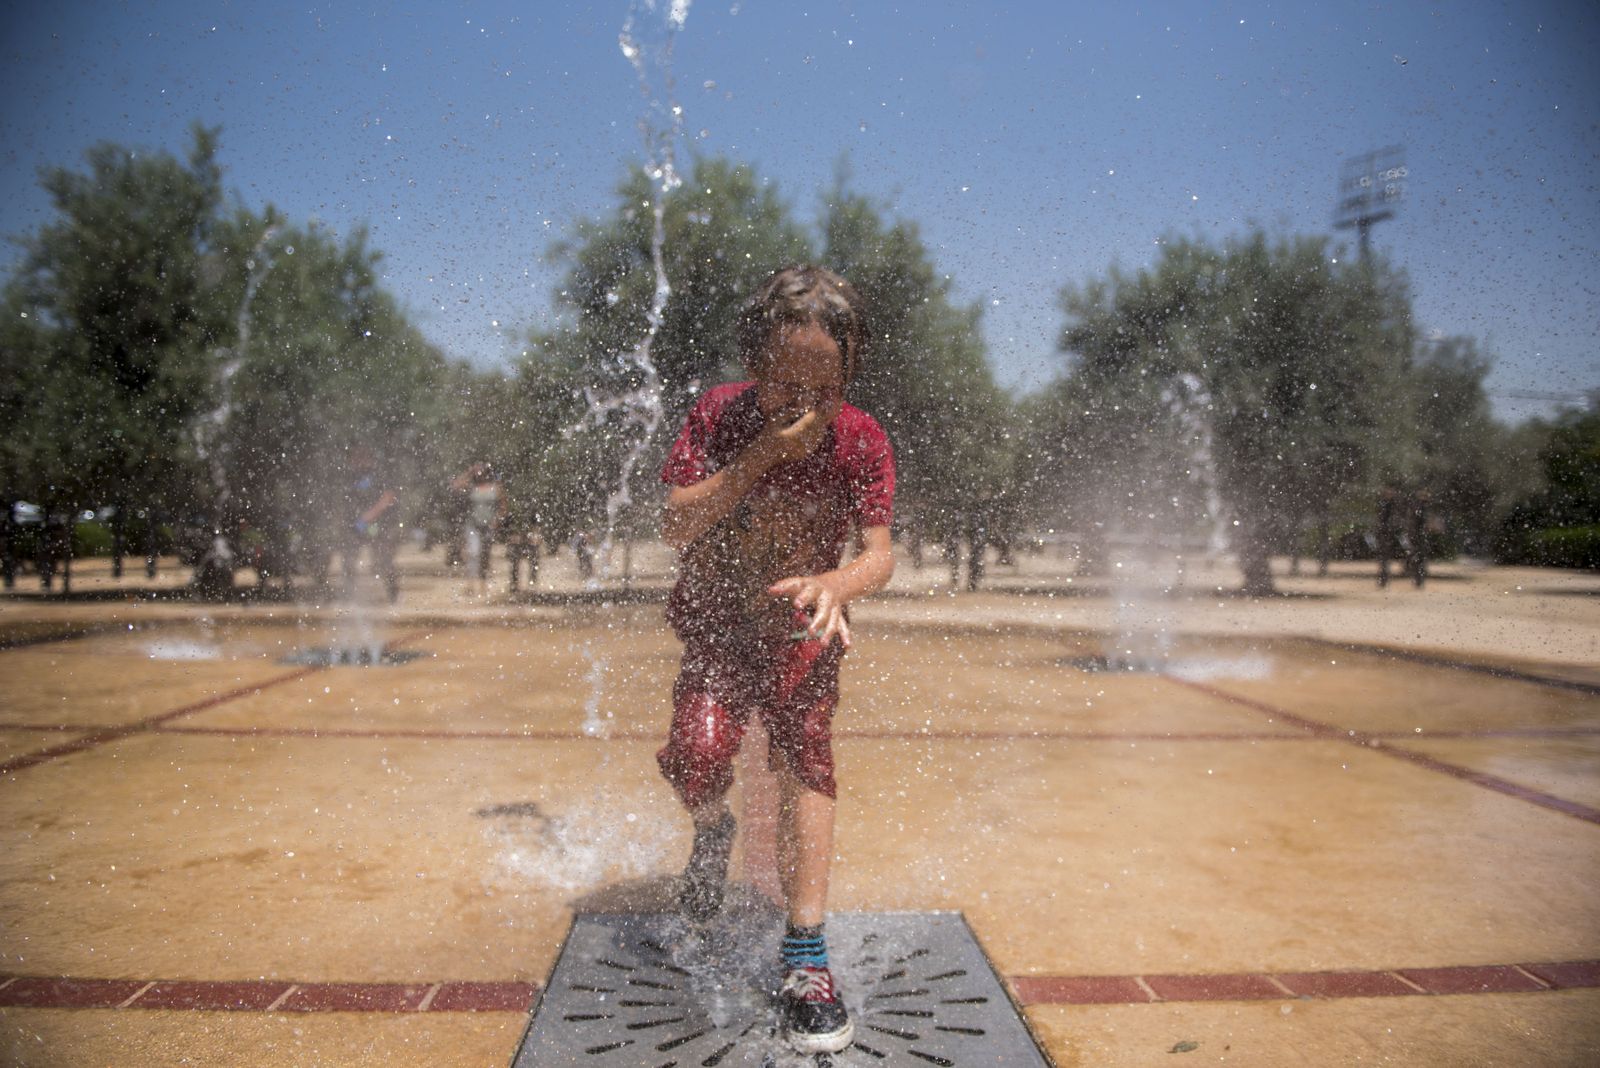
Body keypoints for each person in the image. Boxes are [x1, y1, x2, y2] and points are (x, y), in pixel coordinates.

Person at [656, 265, 895, 1055]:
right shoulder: (718, 418)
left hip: (801, 630)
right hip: (720, 625)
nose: (801, 405)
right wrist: (760, 454)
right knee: (698, 756)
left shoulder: (860, 438)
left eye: (820, 389)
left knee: (807, 761)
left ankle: (806, 956)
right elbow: (676, 527)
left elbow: (880, 554)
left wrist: (837, 582)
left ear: (847, 376)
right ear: (752, 364)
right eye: (782, 384)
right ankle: (711, 827)